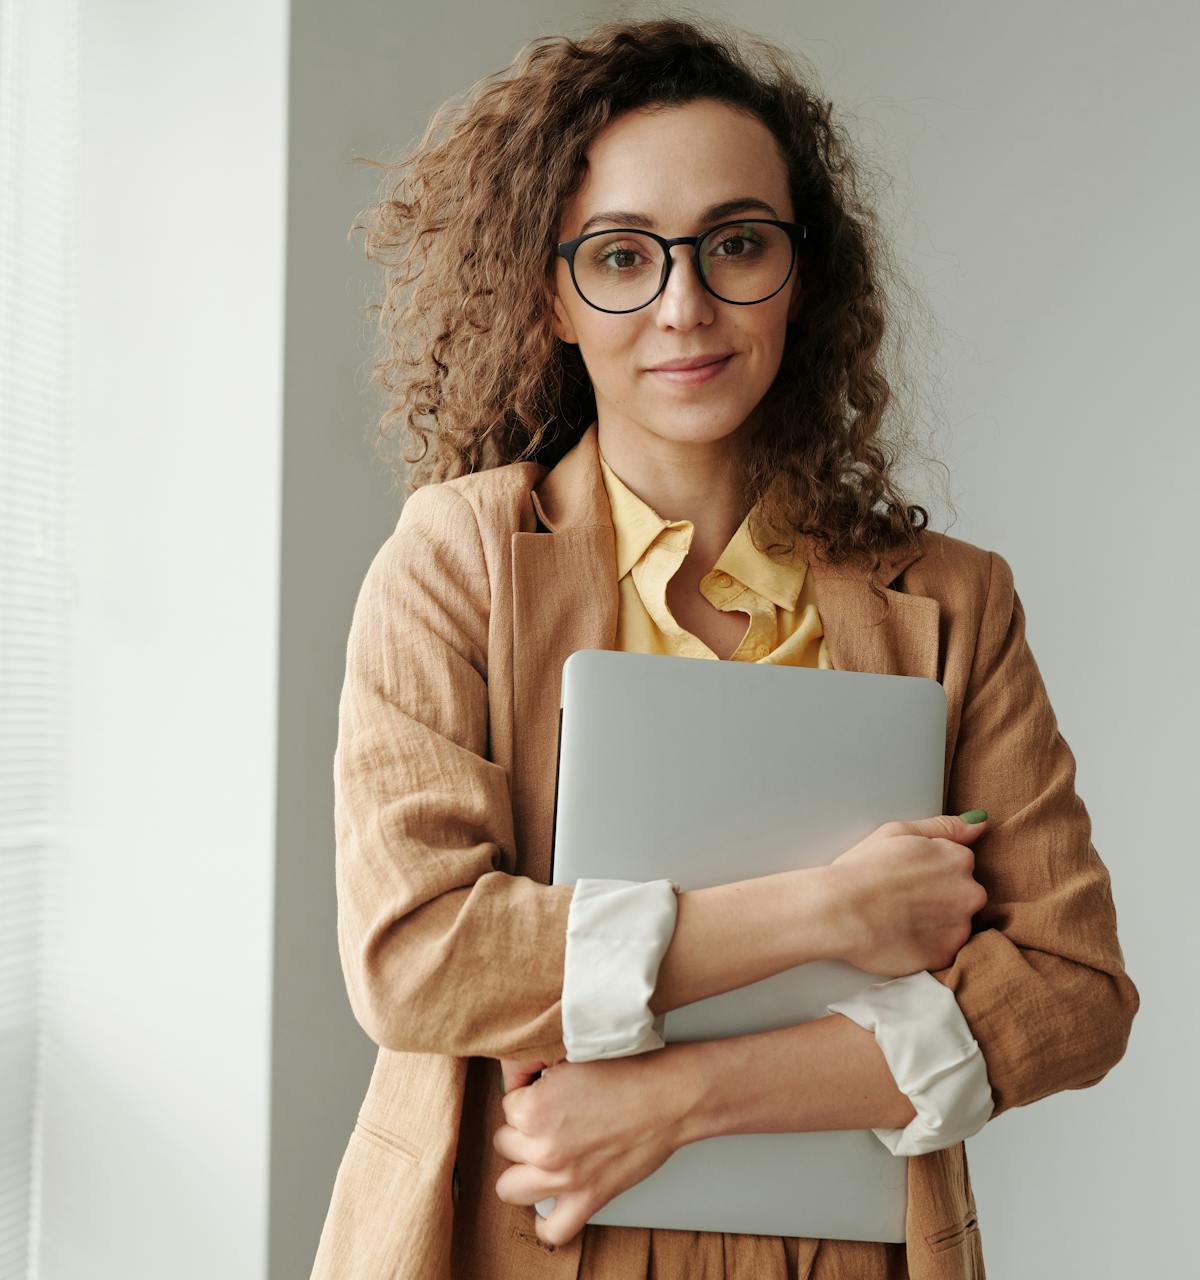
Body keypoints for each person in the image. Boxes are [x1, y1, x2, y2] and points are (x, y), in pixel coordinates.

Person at [314, 16, 1140, 1280]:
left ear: (801, 275)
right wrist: (828, 908)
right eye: (623, 256)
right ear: (550, 292)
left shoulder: (955, 604)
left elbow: (1073, 993)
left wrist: (677, 1094)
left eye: (737, 243)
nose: (685, 305)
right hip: (505, 1236)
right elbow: (420, 956)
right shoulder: (457, 559)